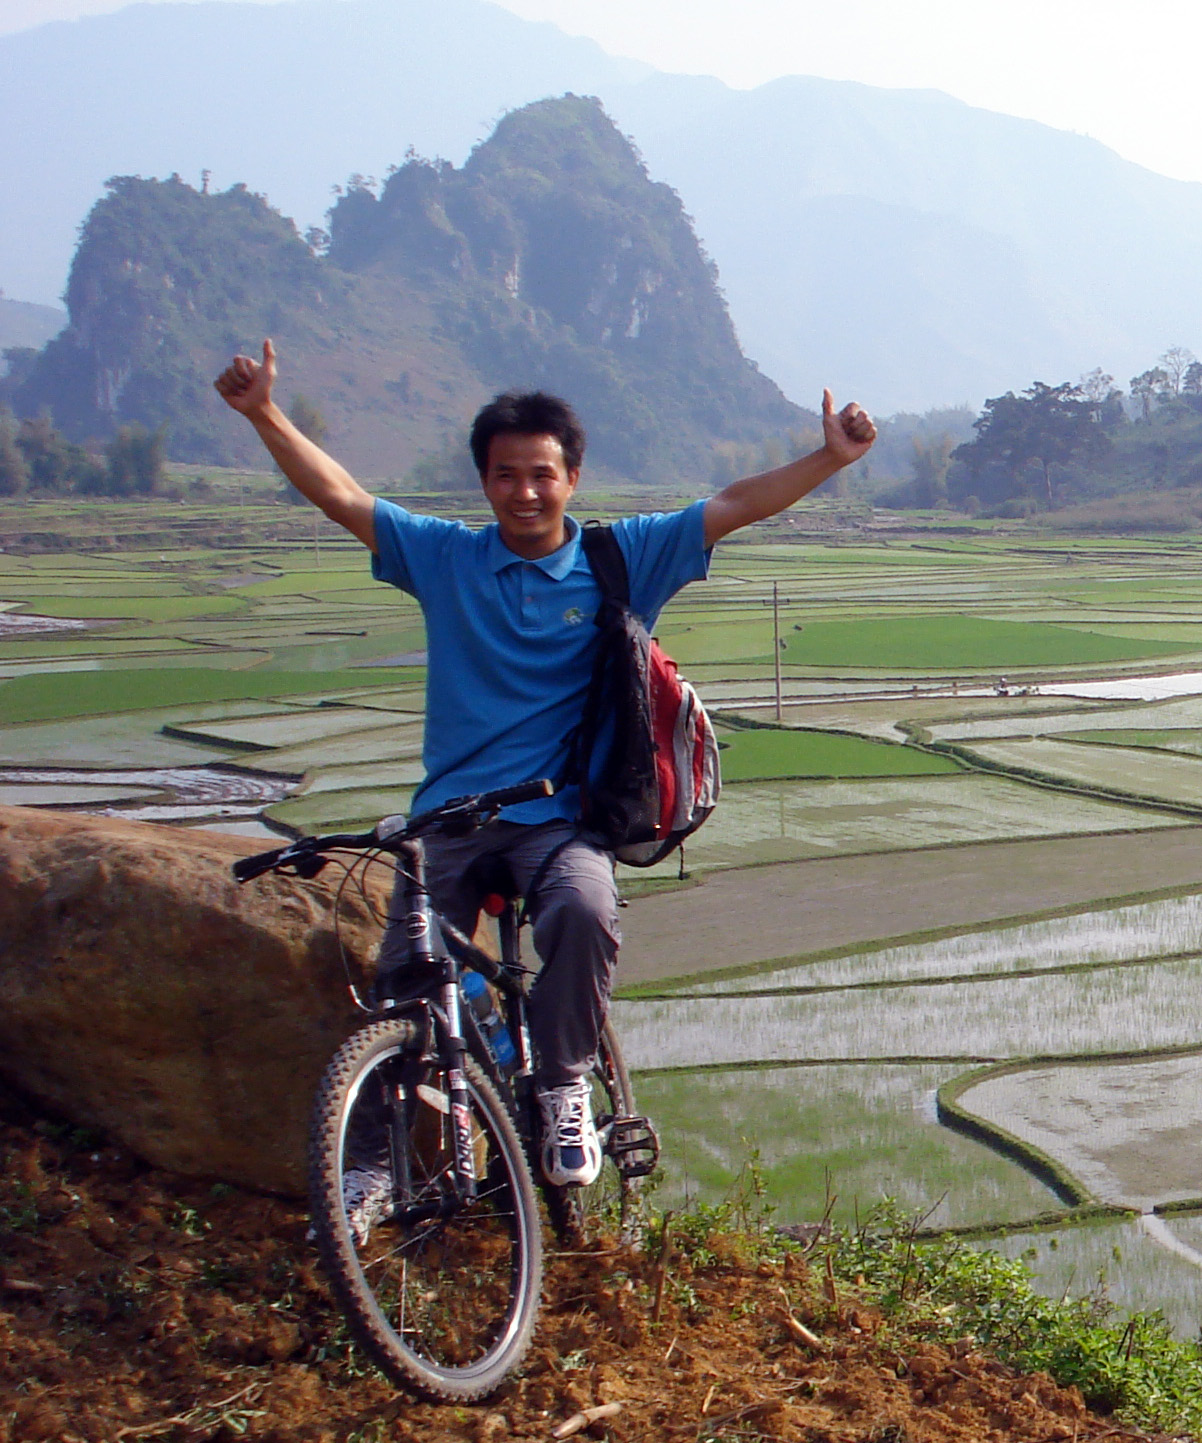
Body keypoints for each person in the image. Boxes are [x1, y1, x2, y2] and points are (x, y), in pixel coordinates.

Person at [215, 339, 875, 1219]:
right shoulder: (446, 558)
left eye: (541, 473)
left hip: (561, 821)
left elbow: (731, 505)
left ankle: (563, 1085)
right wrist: (263, 412)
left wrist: (831, 458)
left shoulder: (619, 560)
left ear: (572, 477)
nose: (524, 492)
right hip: (447, 820)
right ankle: (370, 1161)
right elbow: (342, 496)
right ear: (483, 482)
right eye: (505, 475)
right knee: (404, 976)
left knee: (584, 910)